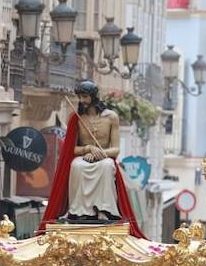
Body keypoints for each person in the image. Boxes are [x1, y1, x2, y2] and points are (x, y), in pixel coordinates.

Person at [38, 80, 143, 236]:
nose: (81, 101)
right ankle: (79, 210)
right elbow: (71, 149)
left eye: (85, 97)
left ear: (94, 97)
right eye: (79, 97)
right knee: (76, 166)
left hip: (104, 157)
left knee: (107, 166)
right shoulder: (76, 118)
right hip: (84, 157)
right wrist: (87, 149)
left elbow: (115, 149)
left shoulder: (111, 117)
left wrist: (101, 154)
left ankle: (105, 209)